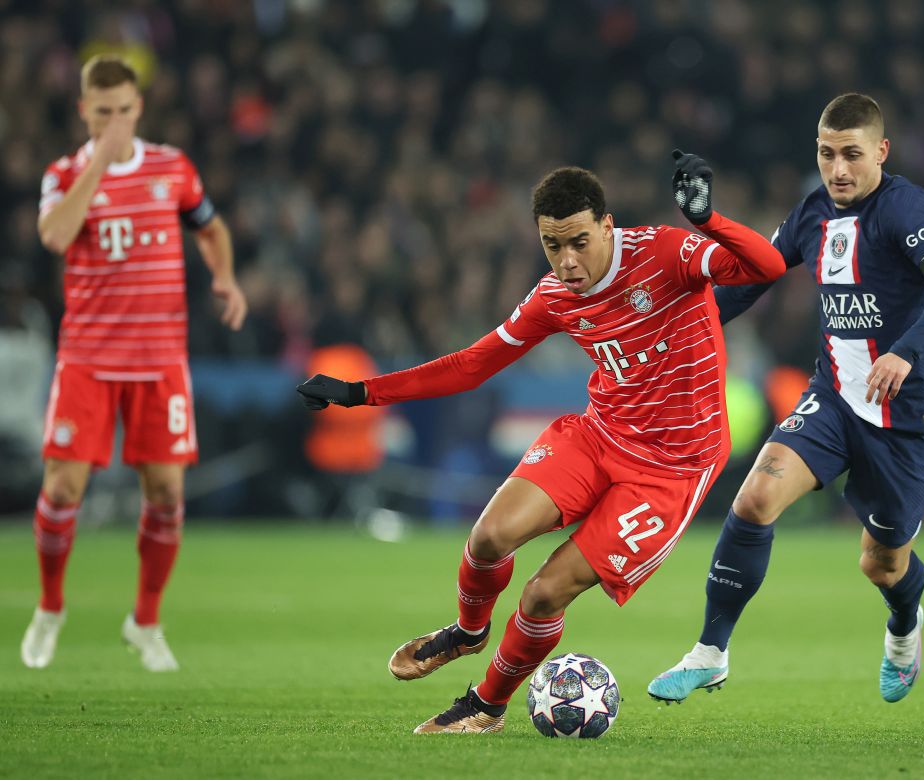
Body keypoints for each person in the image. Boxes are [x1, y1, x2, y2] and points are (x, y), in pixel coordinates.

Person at [297, 153, 786, 733]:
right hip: (600, 435)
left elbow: (769, 266)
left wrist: (708, 219)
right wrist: (361, 392)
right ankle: (469, 631)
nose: (568, 261)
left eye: (579, 241)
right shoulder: (553, 295)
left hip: (672, 468)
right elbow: (471, 365)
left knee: (543, 594)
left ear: (608, 225)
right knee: (488, 537)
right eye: (553, 246)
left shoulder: (668, 253)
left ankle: (487, 704)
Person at [647, 93, 924, 704]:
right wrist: (674, 333)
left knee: (881, 563)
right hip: (832, 398)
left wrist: (903, 351)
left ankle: (905, 624)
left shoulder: (904, 208)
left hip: (906, 415)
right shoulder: (810, 214)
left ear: (881, 151)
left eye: (852, 154)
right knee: (755, 498)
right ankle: (710, 652)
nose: (839, 170)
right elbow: (753, 278)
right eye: (827, 154)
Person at [21, 55, 246, 672]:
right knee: (63, 487)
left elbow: (211, 227)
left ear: (138, 107)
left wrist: (224, 277)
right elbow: (55, 236)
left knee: (167, 495)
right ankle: (49, 607)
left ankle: (145, 621)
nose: (115, 122)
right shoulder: (64, 172)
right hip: (89, 359)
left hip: (159, 360)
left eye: (124, 111)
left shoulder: (171, 167)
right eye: (103, 113)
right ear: (84, 111)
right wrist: (100, 160)